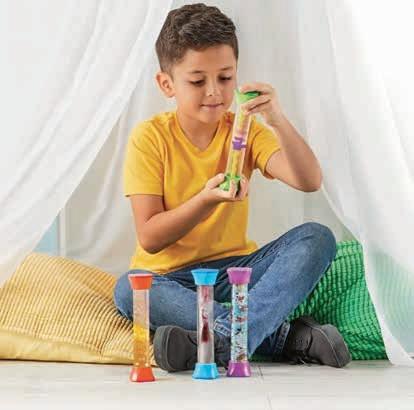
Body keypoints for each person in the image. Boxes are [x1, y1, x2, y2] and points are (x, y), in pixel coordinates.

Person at [114, 3, 351, 372]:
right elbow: (150, 237)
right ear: (166, 84)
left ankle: (218, 341)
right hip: (170, 277)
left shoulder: (245, 130)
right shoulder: (150, 138)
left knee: (317, 237)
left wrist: (277, 119)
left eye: (225, 78)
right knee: (129, 289)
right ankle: (284, 338)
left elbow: (308, 180)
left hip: (235, 273)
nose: (214, 92)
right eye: (197, 81)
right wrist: (206, 200)